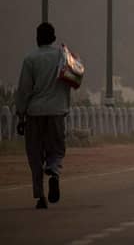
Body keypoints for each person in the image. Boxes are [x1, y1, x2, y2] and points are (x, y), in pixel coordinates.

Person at [15, 23, 74, 209]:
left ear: (37, 38)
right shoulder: (62, 56)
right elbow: (73, 79)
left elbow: (24, 90)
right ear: (54, 38)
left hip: (35, 112)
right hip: (57, 111)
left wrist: (21, 114)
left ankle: (40, 196)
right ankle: (54, 172)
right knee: (56, 149)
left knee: (35, 155)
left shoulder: (30, 59)